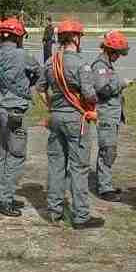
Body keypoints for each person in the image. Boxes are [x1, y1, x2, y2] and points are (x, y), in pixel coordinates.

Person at [40, 19, 104, 228]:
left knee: (56, 164)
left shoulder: (51, 62)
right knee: (78, 167)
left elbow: (40, 88)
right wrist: (95, 99)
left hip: (56, 118)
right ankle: (81, 216)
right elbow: (89, 94)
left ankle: (54, 211)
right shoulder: (81, 63)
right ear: (76, 38)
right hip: (76, 120)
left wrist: (52, 106)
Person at [0, 17, 41, 216]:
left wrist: (0, 88)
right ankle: (4, 199)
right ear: (17, 37)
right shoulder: (23, 55)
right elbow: (38, 74)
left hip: (2, 107)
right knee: (16, 155)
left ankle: (1, 195)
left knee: (4, 152)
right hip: (17, 110)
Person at [92, 30, 133, 201]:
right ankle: (104, 187)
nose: (119, 56)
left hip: (112, 114)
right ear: (110, 50)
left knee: (110, 150)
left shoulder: (107, 65)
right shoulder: (100, 66)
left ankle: (105, 183)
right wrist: (122, 84)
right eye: (118, 53)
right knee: (107, 150)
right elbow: (103, 89)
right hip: (106, 114)